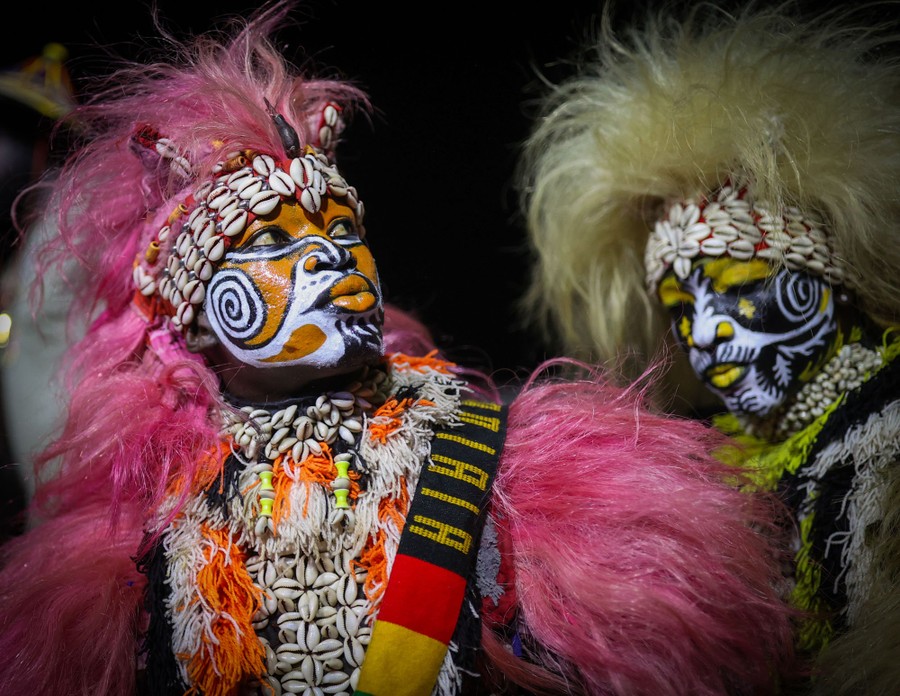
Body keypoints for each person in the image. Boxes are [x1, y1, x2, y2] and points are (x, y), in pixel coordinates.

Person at [0, 3, 800, 694]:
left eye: (340, 228)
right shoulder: (135, 547)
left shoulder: (504, 466)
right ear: (199, 315)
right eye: (274, 243)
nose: (328, 254)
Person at [517, 2, 900, 693]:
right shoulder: (728, 466)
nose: (708, 330)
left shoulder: (885, 428)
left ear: (831, 276)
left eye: (737, 288)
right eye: (681, 307)